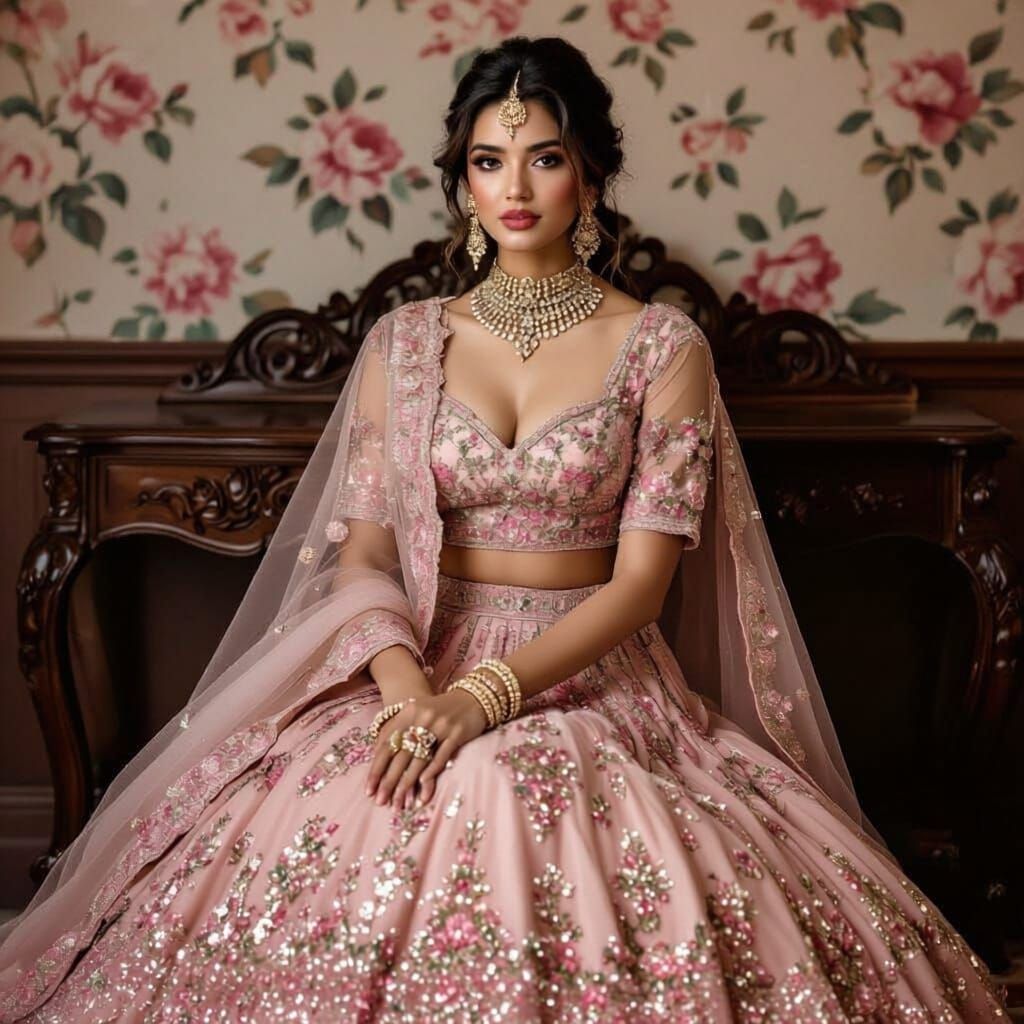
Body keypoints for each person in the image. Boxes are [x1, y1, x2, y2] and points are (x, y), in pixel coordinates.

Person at [0, 35, 1009, 1023]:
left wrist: (484, 698)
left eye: (545, 156)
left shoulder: (661, 345)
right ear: (462, 185)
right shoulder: (407, 344)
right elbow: (365, 555)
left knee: (515, 783)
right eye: (487, 160)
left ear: (593, 176)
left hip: (593, 668)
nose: (514, 184)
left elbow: (640, 587)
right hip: (418, 655)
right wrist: (409, 696)